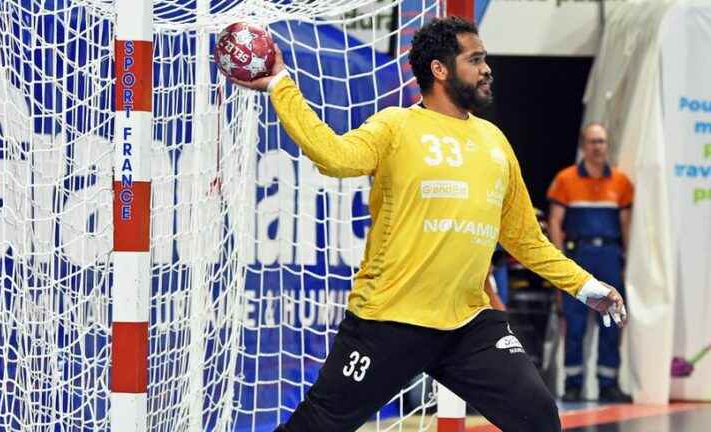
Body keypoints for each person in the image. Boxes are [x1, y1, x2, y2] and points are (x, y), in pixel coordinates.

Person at [229, 16, 627, 432]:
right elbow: (335, 156)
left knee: (540, 419)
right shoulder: (395, 126)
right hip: (390, 320)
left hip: (467, 324)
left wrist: (585, 287)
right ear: (439, 69)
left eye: (485, 59)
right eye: (475, 59)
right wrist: (280, 85)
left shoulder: (495, 142)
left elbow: (527, 239)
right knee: (318, 424)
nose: (487, 68)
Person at [547, 123, 634, 404]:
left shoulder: (621, 182)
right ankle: (572, 383)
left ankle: (608, 382)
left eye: (603, 142)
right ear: (584, 145)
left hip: (609, 255)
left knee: (612, 320)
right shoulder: (565, 180)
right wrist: (559, 261)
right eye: (594, 142)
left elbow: (626, 225)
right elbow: (555, 223)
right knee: (574, 323)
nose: (599, 147)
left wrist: (626, 263)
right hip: (578, 257)